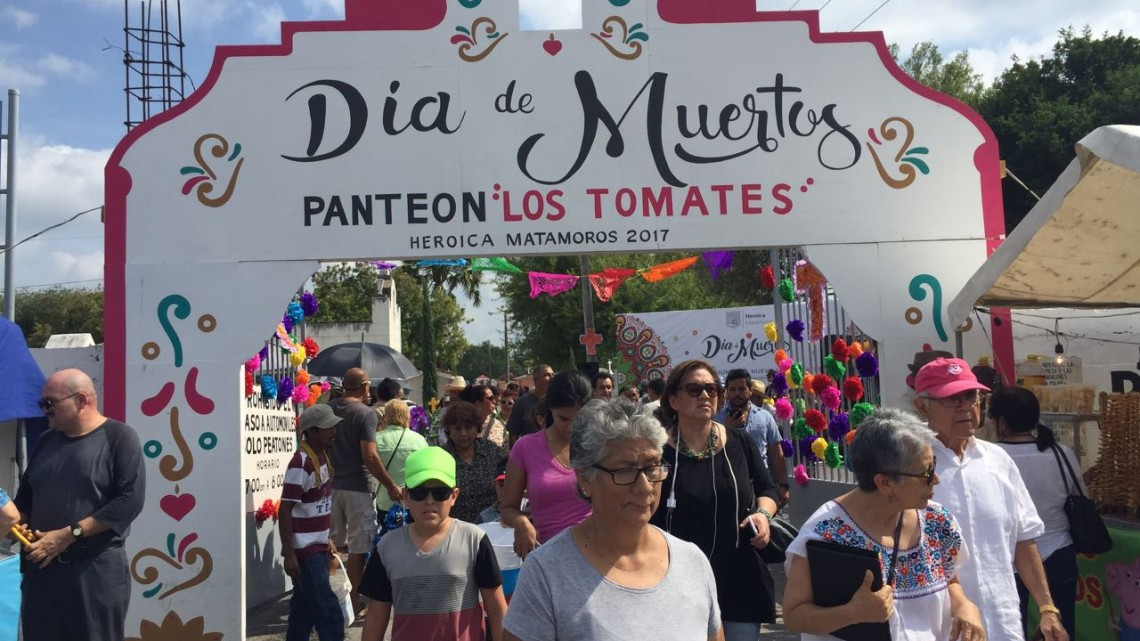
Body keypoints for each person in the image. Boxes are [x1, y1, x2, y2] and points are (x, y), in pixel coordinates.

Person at [504, 399, 724, 641]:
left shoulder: (692, 562)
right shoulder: (547, 574)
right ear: (586, 478)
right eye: (626, 471)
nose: (644, 487)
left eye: (652, 467)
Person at [783, 408, 984, 641]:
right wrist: (852, 613)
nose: (936, 479)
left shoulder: (938, 522)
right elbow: (794, 615)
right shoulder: (824, 534)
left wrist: (965, 606)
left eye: (934, 465)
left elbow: (950, 580)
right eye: (927, 473)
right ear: (885, 482)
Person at [914, 357, 1066, 641]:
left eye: (971, 396)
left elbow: (1024, 539)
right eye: (952, 399)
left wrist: (1047, 607)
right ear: (922, 406)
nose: (965, 407)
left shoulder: (999, 460)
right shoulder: (910, 466)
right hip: (940, 626)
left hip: (1002, 620)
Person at [649, 359, 780, 641]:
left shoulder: (739, 442)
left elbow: (769, 490)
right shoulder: (656, 452)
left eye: (711, 388)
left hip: (738, 577)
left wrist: (763, 515)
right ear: (673, 399)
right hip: (676, 579)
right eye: (694, 389)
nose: (706, 395)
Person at [14, 368, 145, 641]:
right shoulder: (45, 441)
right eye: (42, 404)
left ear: (82, 400)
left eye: (49, 404)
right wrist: (9, 522)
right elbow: (25, 499)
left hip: (93, 572)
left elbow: (128, 502)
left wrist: (67, 535)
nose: (44, 411)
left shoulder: (119, 438)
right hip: (42, 574)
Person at [360, 447, 508, 641]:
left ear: (454, 496)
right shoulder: (387, 547)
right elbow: (376, 618)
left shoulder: (474, 540)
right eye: (419, 492)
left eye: (440, 493)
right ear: (405, 495)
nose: (429, 501)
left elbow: (497, 611)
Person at [992, 387, 1084, 640]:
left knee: (1012, 629)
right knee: (1061, 629)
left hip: (1009, 556)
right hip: (1058, 549)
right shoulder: (1060, 453)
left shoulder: (992, 457)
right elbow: (1081, 495)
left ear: (1001, 421)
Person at [328, 367, 401, 616]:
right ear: (365, 387)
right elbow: (369, 456)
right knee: (359, 548)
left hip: (330, 486)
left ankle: (327, 598)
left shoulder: (329, 410)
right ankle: (354, 600)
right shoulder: (364, 414)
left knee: (332, 545)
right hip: (358, 486)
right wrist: (391, 485)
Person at [502, 370, 593, 559]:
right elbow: (507, 508)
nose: (572, 427)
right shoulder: (526, 447)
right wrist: (521, 521)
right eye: (564, 418)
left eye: (579, 418)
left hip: (595, 552)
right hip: (547, 556)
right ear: (550, 408)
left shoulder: (598, 443)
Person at [280, 404, 344, 641]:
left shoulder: (322, 456)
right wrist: (289, 553)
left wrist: (326, 537)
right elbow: (285, 509)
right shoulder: (301, 463)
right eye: (328, 428)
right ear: (312, 432)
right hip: (304, 550)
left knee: (304, 610)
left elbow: (318, 504)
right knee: (329, 611)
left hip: (316, 545)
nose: (333, 431)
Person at [715, 369, 789, 506]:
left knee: (762, 524)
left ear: (750, 390)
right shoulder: (716, 418)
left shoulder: (765, 417)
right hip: (727, 481)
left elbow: (776, 453)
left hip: (760, 483)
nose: (737, 393)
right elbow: (710, 450)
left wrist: (784, 485)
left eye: (742, 389)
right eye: (732, 389)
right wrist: (727, 429)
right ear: (727, 391)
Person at [442, 401, 507, 523]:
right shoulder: (442, 457)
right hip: (456, 527)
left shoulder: (492, 452)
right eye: (457, 428)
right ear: (449, 430)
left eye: (468, 428)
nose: (463, 433)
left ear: (477, 428)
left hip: (492, 526)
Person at [375, 400, 429, 514]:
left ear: (386, 416)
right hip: (412, 501)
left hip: (384, 501)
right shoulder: (419, 440)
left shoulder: (376, 439)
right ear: (407, 416)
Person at [506, 364, 554, 444]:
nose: (552, 378)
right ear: (535, 379)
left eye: (552, 374)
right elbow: (513, 434)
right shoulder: (522, 403)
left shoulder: (557, 401)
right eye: (547, 375)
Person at [462, 383, 507, 448]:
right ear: (478, 403)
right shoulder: (461, 427)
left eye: (494, 398)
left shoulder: (500, 426)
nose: (494, 401)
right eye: (490, 398)